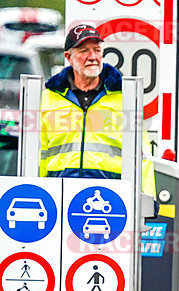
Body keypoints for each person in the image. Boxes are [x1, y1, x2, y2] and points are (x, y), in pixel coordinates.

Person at [39, 24, 156, 196]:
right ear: (69, 57)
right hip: (59, 195)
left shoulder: (124, 98)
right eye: (84, 51)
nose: (92, 57)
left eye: (97, 50)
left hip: (111, 197)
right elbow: (37, 153)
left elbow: (142, 155)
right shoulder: (49, 98)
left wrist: (147, 197)